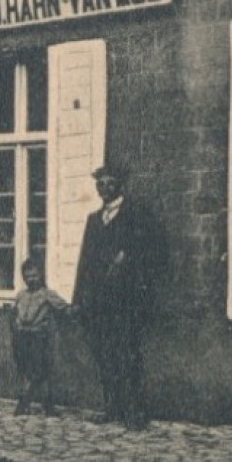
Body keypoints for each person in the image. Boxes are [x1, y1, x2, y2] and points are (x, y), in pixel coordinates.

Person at [72, 165, 164, 430]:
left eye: (110, 183)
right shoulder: (94, 220)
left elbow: (156, 250)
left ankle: (134, 412)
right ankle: (111, 407)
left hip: (126, 301)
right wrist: (79, 298)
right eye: (100, 184)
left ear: (120, 185)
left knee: (128, 354)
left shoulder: (136, 215)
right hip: (98, 301)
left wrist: (128, 257)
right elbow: (84, 262)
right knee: (105, 354)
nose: (104, 188)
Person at [10, 255, 70, 416]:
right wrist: (15, 326)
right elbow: (14, 312)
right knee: (27, 370)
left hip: (38, 338)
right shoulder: (20, 295)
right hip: (21, 338)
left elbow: (64, 308)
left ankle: (24, 403)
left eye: (34, 275)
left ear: (41, 275)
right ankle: (46, 406)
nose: (31, 279)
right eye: (27, 276)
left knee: (39, 371)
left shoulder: (47, 294)